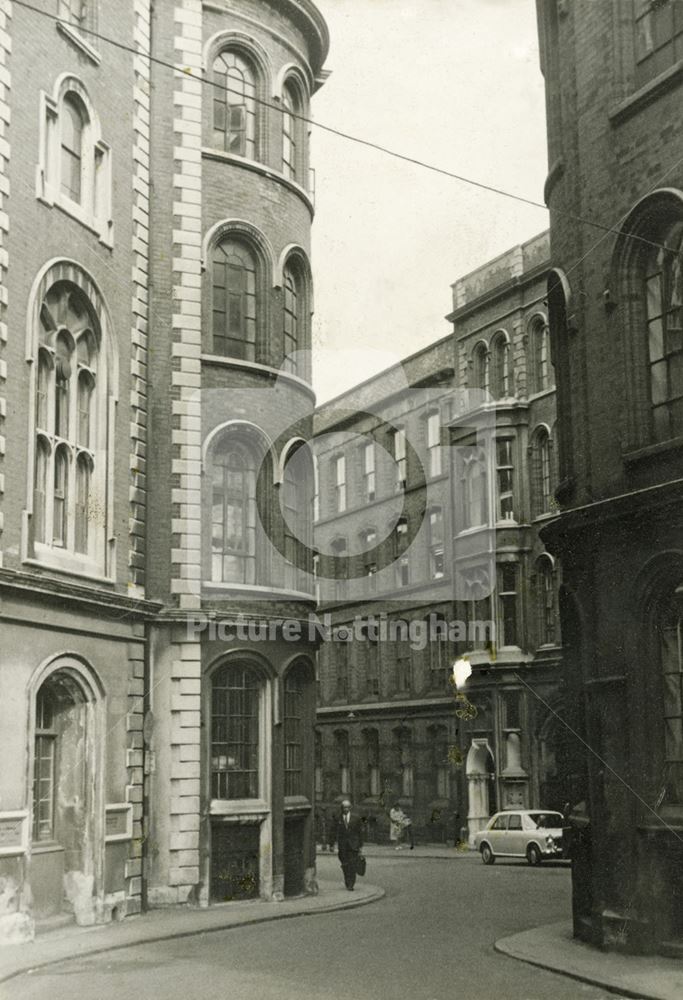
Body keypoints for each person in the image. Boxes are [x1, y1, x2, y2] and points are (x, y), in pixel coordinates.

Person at [336, 799, 363, 890]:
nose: (346, 809)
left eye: (348, 807)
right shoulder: (338, 818)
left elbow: (360, 833)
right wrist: (331, 844)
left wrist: (360, 846)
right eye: (344, 807)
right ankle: (347, 881)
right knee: (345, 865)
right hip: (343, 846)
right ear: (342, 808)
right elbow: (334, 831)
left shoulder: (356, 818)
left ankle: (351, 883)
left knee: (352, 865)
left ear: (350, 808)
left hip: (353, 845)